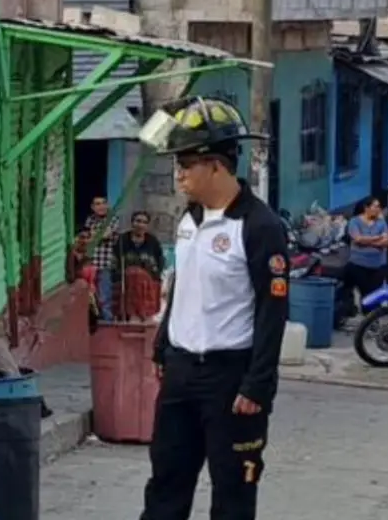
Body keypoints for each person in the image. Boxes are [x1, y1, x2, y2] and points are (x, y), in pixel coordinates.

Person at [141, 96, 288, 520]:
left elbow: (271, 312)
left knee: (232, 495)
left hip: (231, 379)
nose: (179, 172)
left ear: (217, 165)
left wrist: (257, 386)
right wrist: (163, 346)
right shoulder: (190, 219)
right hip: (182, 374)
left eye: (187, 162)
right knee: (165, 485)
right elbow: (184, 286)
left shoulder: (259, 227)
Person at [113, 211, 166, 321]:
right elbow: (116, 260)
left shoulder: (153, 241)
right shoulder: (123, 239)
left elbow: (159, 261)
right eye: (138, 221)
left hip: (147, 280)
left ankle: (143, 315)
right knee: (134, 275)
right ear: (132, 223)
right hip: (127, 279)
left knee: (140, 278)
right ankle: (132, 314)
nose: (141, 225)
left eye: (144, 222)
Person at [346, 197, 388, 302]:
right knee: (364, 293)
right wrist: (376, 238)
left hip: (378, 265)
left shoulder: (381, 223)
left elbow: (386, 242)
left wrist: (366, 241)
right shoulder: (354, 222)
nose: (378, 209)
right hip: (359, 265)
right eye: (375, 206)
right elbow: (358, 239)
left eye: (379, 207)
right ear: (367, 208)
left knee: (375, 295)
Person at [84, 196, 119, 323]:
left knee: (105, 295)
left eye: (104, 203)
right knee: (90, 295)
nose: (101, 206)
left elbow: (105, 235)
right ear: (93, 207)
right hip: (91, 264)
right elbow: (86, 238)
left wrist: (94, 235)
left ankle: (107, 321)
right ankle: (93, 321)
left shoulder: (113, 219)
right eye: (97, 204)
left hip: (105, 263)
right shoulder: (90, 220)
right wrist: (96, 235)